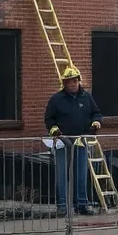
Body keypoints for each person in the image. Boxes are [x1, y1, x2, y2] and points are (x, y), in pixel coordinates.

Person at [44, 66, 103, 216]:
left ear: (79, 81)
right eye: (70, 82)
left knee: (81, 174)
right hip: (63, 141)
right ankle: (62, 206)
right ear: (64, 83)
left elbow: (96, 113)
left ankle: (81, 205)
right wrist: (55, 131)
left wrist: (96, 123)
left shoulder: (87, 97)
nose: (73, 84)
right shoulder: (56, 99)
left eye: (75, 81)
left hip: (81, 141)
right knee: (62, 174)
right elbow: (49, 119)